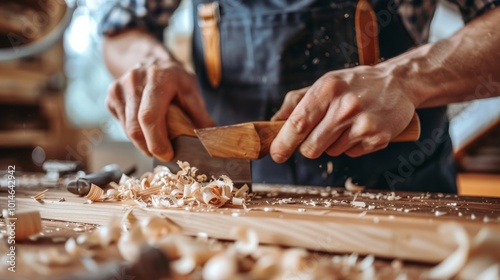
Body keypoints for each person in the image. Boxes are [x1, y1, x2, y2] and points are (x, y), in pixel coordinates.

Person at [99, 0, 500, 193]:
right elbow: (122, 29)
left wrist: (405, 79)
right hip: (232, 193)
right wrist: (151, 62)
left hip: (401, 189)